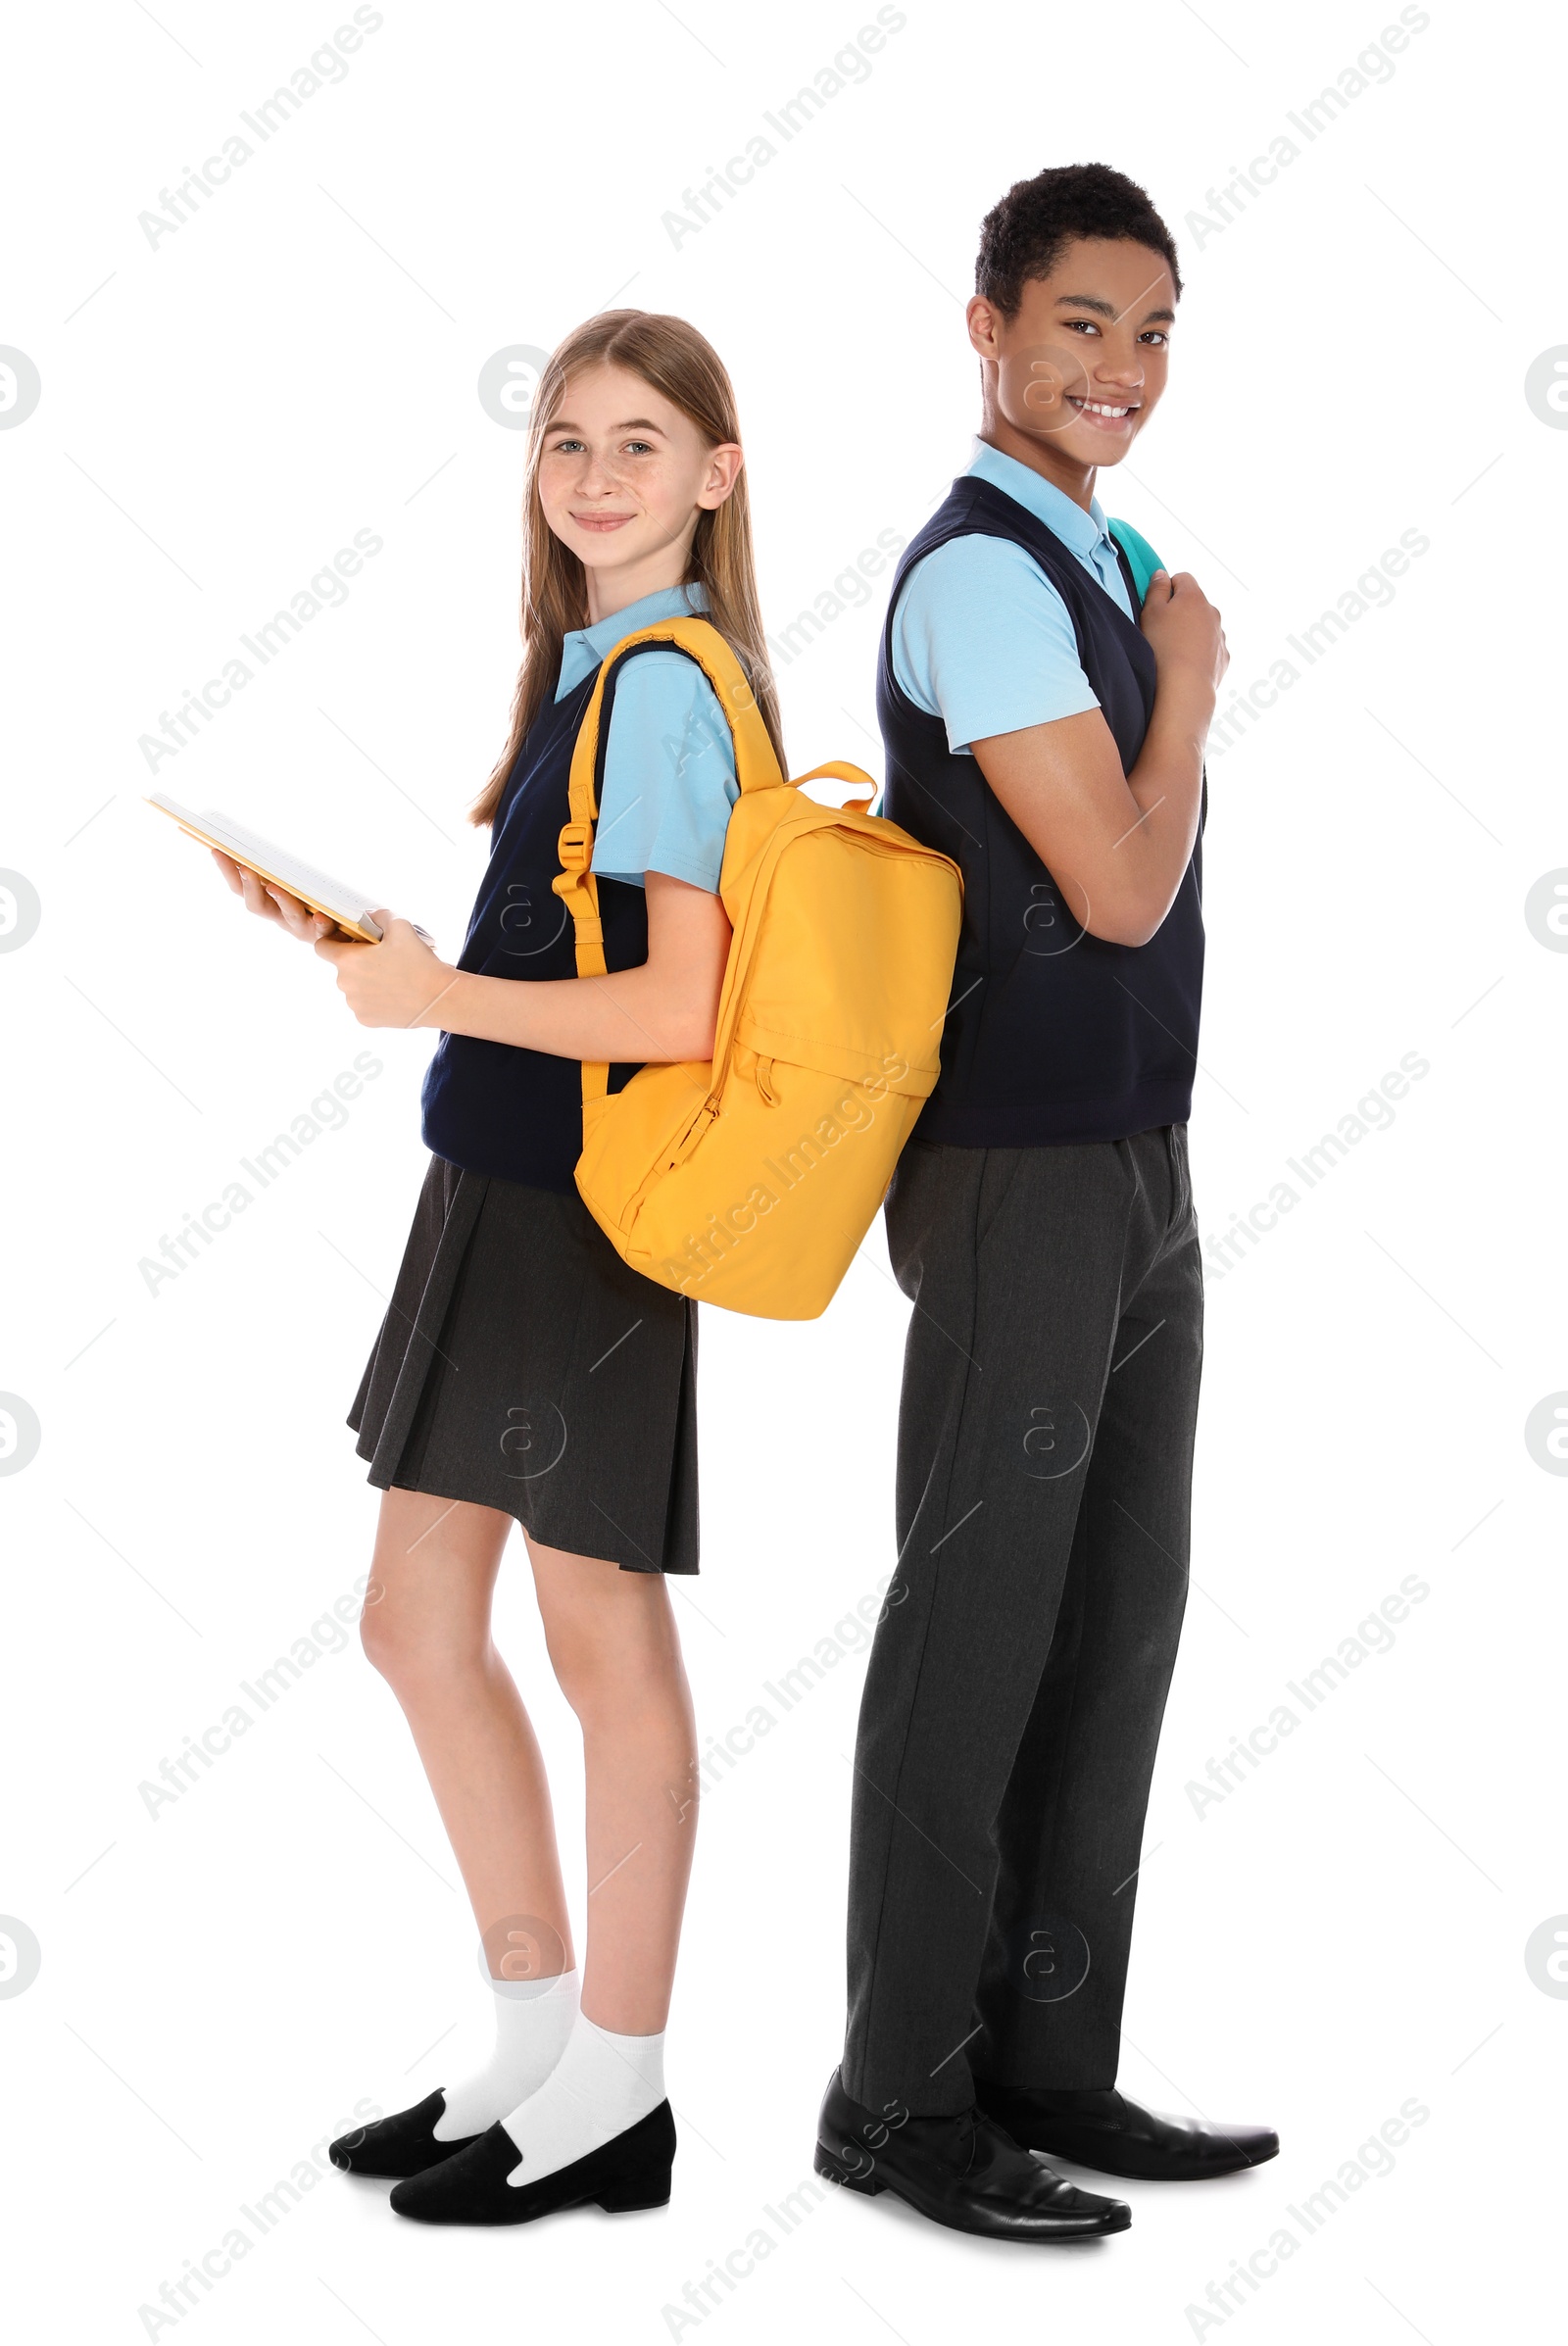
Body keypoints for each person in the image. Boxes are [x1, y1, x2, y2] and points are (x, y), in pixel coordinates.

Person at [213, 310, 779, 2227]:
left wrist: (429, 996)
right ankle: (538, 2045)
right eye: (564, 440)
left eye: (640, 440)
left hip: (582, 1222)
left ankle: (619, 2084)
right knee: (414, 1625)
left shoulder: (669, 690)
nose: (596, 472)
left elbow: (684, 1007)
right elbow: (568, 966)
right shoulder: (595, 671)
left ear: (715, 473)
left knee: (597, 1639)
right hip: (501, 1189)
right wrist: (396, 952)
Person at [816, 164, 1277, 2240]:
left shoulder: (1099, 553)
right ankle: (895, 2098)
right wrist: (1182, 689)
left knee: (1112, 1625)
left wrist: (1159, 662)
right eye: (1081, 321)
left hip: (1133, 1158)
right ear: (985, 322)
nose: (1120, 366)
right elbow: (1108, 881)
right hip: (1013, 1170)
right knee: (979, 1620)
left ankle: (1045, 2062)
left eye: (1153, 328)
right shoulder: (989, 580)